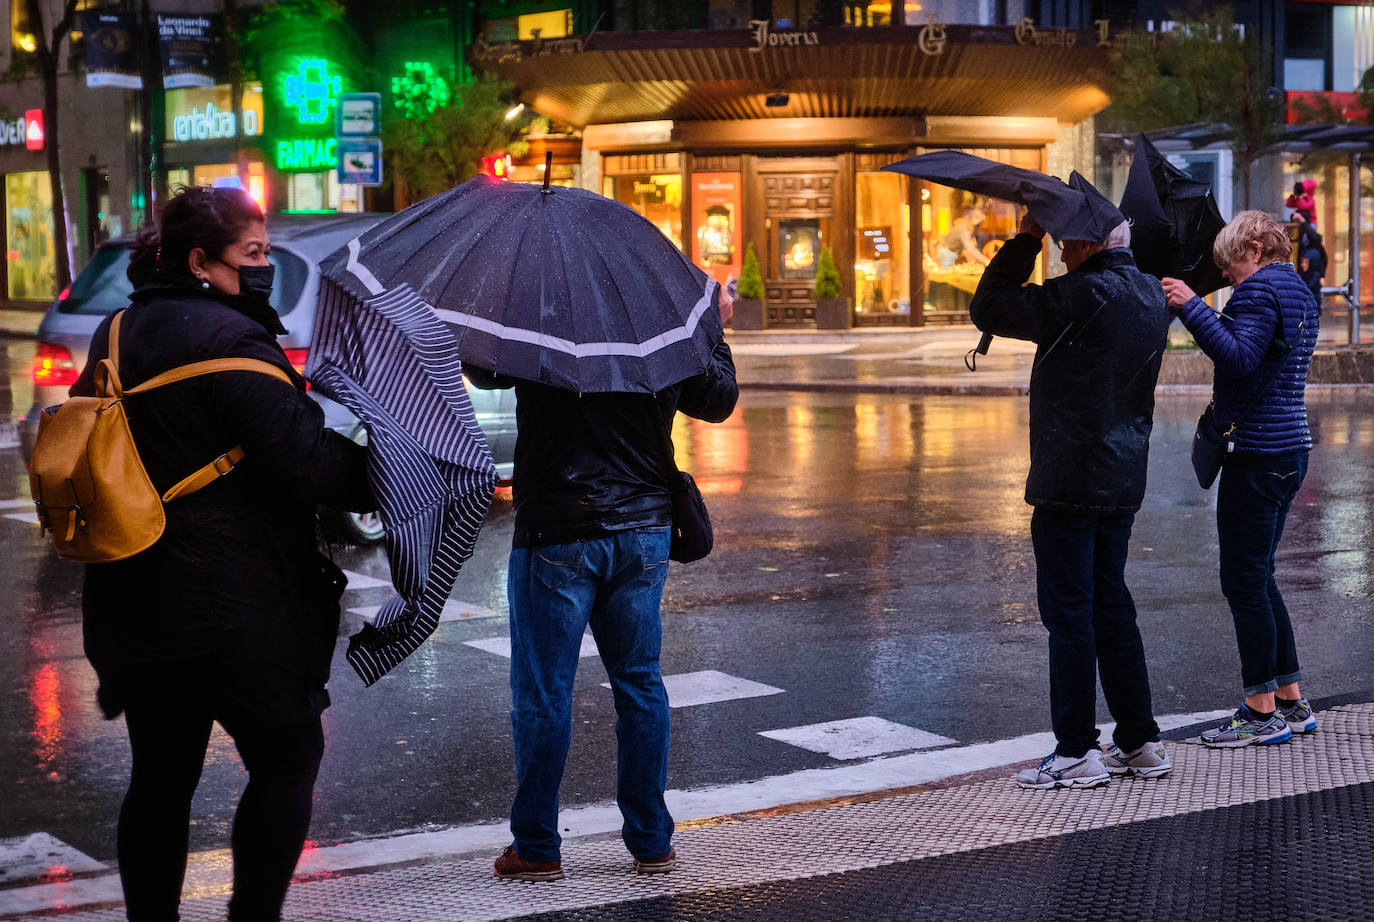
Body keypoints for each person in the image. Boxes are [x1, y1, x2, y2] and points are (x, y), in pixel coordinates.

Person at [70, 186, 374, 921]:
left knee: (160, 778)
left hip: (135, 595)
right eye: (254, 254)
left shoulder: (115, 331)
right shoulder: (232, 341)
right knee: (286, 760)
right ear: (202, 261)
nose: (265, 267)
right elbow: (308, 462)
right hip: (240, 607)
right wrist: (384, 464)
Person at [470, 290, 738, 881]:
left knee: (544, 693)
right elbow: (717, 400)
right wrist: (711, 332)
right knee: (640, 683)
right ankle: (650, 841)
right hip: (642, 528)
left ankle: (537, 847)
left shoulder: (543, 318)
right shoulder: (663, 327)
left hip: (557, 530)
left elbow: (480, 368)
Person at [969, 212, 1173, 790]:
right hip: (1123, 474)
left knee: (1069, 613)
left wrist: (1025, 238)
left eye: (1063, 245)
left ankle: (1076, 749)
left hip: (1070, 480)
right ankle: (1139, 741)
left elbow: (989, 305)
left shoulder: (1080, 294)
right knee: (1112, 605)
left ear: (1087, 243)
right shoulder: (1149, 294)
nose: (1059, 255)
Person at [1161, 210, 1320, 748]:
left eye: (1230, 261)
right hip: (1290, 448)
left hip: (1258, 453)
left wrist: (1191, 306)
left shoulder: (1256, 292)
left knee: (1243, 582)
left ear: (1254, 246)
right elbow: (1261, 352)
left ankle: (1259, 712)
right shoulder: (1297, 289)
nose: (1226, 273)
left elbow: (1241, 358)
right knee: (1261, 577)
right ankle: (1292, 700)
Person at [1293, 211, 1327, 304]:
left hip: (1312, 276)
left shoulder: (1311, 239)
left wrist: (1303, 222)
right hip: (1300, 276)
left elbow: (1316, 239)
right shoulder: (1296, 236)